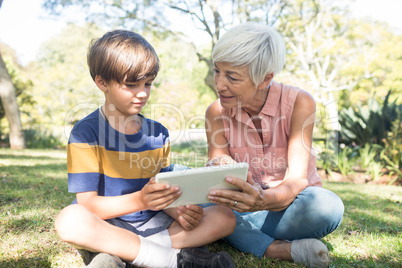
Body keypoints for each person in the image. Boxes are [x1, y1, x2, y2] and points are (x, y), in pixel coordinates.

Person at [54, 29, 237, 268]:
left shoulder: (158, 133)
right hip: (107, 223)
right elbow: (89, 205)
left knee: (224, 217)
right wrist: (142, 200)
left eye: (148, 84)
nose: (142, 93)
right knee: (69, 220)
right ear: (102, 82)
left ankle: (123, 255)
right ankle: (170, 260)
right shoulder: (85, 133)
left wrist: (177, 211)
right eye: (131, 85)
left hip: (152, 222)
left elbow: (160, 192)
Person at [205, 22, 344, 267]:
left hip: (287, 207)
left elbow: (297, 179)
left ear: (265, 78)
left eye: (232, 77)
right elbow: (216, 164)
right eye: (217, 71)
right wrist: (220, 164)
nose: (219, 84)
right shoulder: (216, 111)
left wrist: (264, 200)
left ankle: (230, 230)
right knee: (176, 179)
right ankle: (274, 248)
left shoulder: (300, 102)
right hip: (237, 205)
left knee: (328, 207)